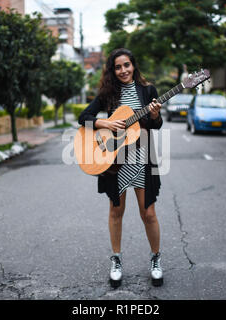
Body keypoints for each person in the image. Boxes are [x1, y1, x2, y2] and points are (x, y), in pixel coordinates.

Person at [78, 48, 164, 288]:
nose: (123, 70)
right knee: (116, 211)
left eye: (127, 65)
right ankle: (116, 260)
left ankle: (156, 259)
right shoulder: (108, 93)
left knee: (148, 213)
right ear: (112, 71)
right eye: (118, 67)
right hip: (115, 160)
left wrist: (155, 116)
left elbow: (156, 125)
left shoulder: (148, 91)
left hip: (143, 157)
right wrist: (103, 122)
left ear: (133, 66)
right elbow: (83, 117)